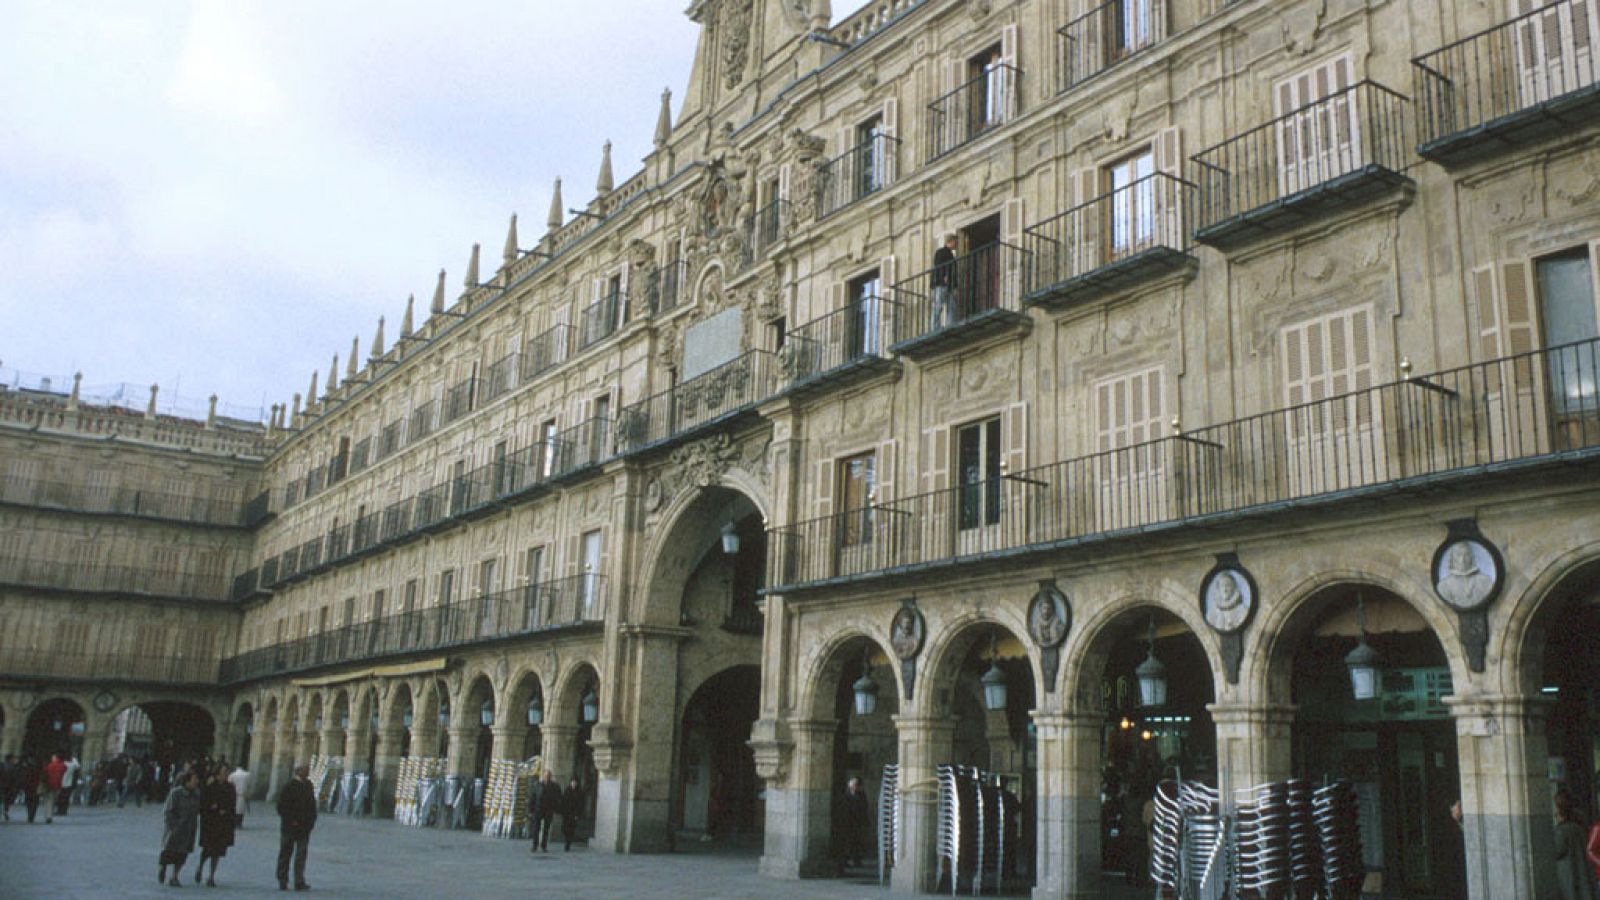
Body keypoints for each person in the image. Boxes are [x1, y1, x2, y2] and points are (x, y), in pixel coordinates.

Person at [276, 764, 317, 892]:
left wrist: (311, 822)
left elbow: (312, 805)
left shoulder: (308, 785)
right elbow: (281, 807)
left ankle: (299, 880)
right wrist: (291, 820)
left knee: (301, 855)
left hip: (304, 827)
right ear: (298, 771)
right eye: (305, 770)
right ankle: (282, 879)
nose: (307, 772)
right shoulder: (289, 786)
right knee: (285, 853)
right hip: (290, 827)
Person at [159, 770, 202, 887]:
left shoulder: (197, 794)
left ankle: (174, 877)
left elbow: (199, 809)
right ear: (187, 781)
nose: (196, 782)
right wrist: (174, 825)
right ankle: (163, 867)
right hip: (176, 829)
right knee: (169, 851)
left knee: (183, 854)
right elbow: (168, 811)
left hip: (189, 829)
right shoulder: (176, 793)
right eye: (194, 779)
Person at [194, 767, 236, 886]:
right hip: (211, 824)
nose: (225, 776)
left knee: (218, 852)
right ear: (217, 775)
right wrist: (213, 808)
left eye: (226, 773)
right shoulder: (210, 787)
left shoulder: (230, 788)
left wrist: (227, 812)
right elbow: (203, 805)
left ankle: (211, 876)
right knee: (207, 850)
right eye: (223, 774)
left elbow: (232, 804)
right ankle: (200, 867)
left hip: (223, 824)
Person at [1555, 790, 1596, 900]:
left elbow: (1556, 852)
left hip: (1569, 881)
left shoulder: (1561, 832)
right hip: (1583, 879)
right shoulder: (1580, 827)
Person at [839, 777, 871, 871]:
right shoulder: (846, 795)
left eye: (857, 785)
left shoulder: (861, 795)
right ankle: (845, 860)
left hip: (858, 822)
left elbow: (864, 807)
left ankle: (857, 860)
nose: (856, 787)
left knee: (858, 842)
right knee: (847, 842)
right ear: (850, 786)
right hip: (848, 822)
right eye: (854, 785)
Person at [528, 770, 562, 853]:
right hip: (538, 810)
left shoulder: (554, 786)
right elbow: (532, 798)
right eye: (545, 776)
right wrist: (530, 810)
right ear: (543, 776)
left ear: (550, 777)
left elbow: (558, 798)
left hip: (548, 810)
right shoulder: (538, 785)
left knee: (546, 829)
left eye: (548, 776)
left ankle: (544, 845)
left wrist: (556, 809)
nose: (547, 777)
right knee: (536, 828)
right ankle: (534, 845)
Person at [930, 234, 958, 329]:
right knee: (938, 306)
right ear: (950, 242)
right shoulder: (941, 252)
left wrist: (954, 286)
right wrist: (943, 277)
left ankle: (950, 324)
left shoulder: (950, 255)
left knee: (951, 306)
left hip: (949, 285)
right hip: (940, 284)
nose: (956, 244)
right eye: (955, 241)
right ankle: (935, 327)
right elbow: (938, 265)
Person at [41, 753, 66, 824]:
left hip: (48, 784)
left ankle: (48, 816)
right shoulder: (62, 765)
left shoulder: (50, 765)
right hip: (57, 785)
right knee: (53, 801)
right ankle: (49, 815)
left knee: (48, 801)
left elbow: (45, 772)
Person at [561, 778, 582, 851]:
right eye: (573, 782)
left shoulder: (579, 792)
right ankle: (567, 840)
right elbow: (563, 801)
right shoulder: (567, 791)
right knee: (564, 828)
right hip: (567, 813)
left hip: (574, 814)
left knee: (571, 829)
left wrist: (578, 814)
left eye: (575, 782)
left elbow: (580, 804)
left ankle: (568, 844)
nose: (574, 784)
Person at [20, 757, 42, 824]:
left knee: (29, 802)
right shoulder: (38, 769)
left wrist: (22, 787)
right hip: (35, 787)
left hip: (28, 787)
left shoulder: (26, 769)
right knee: (34, 802)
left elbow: (23, 778)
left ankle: (30, 815)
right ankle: (32, 815)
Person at [0, 754, 16, 821]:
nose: (14, 760)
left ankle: (5, 811)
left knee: (5, 799)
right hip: (8, 785)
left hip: (5, 785)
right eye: (13, 759)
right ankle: (5, 811)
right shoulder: (13, 767)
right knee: (7, 799)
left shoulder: (2, 765)